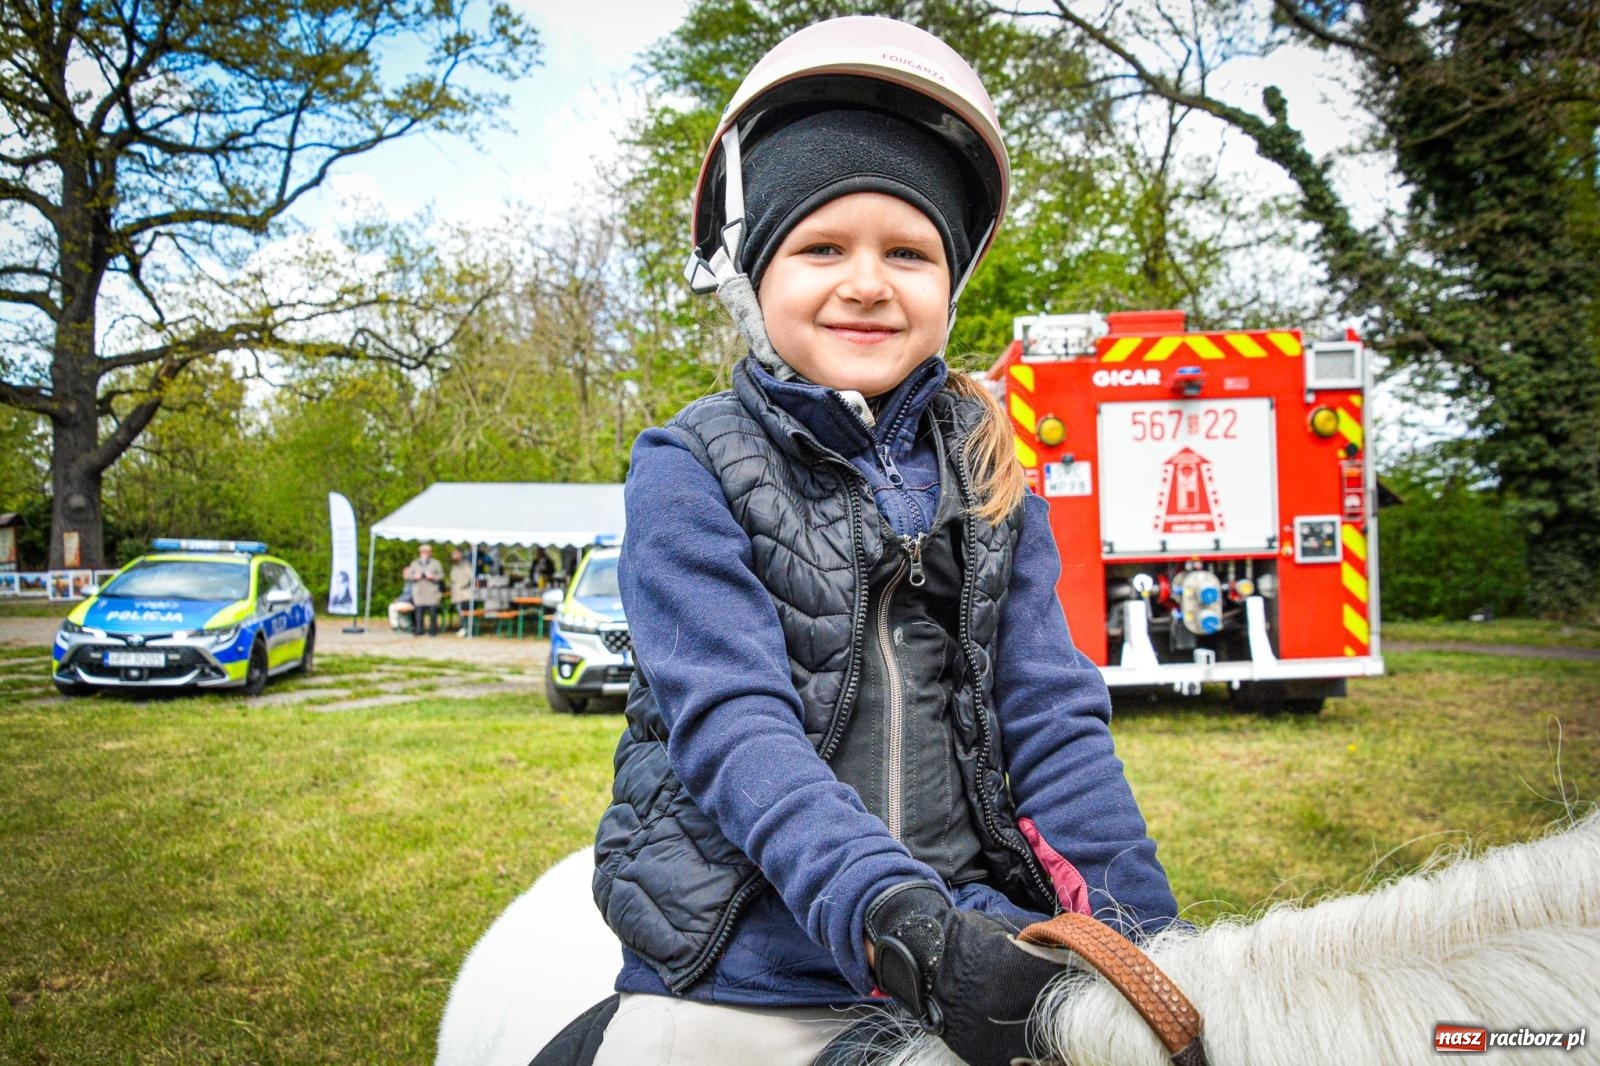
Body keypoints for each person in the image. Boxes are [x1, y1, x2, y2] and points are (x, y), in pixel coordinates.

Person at [545, 18, 1182, 1066]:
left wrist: (1145, 940)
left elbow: (1051, 721)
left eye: (908, 251)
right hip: (745, 957)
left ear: (950, 281)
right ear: (752, 273)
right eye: (822, 247)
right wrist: (896, 921)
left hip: (982, 937)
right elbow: (733, 724)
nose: (868, 282)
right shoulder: (688, 464)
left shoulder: (987, 465)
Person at [407, 543, 444, 636]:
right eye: (423, 551)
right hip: (419, 591)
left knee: (432, 612)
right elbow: (408, 575)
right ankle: (419, 629)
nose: (425, 553)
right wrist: (415, 577)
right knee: (419, 612)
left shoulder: (436, 563)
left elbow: (441, 575)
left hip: (431, 591)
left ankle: (433, 630)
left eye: (427, 552)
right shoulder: (414, 563)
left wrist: (433, 577)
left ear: (430, 553)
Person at [449, 548, 475, 635]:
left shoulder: (465, 564)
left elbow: (471, 576)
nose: (453, 555)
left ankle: (465, 628)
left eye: (455, 554)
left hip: (464, 593)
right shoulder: (454, 565)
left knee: (463, 611)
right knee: (459, 610)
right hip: (456, 593)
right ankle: (463, 628)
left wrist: (461, 585)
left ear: (460, 554)